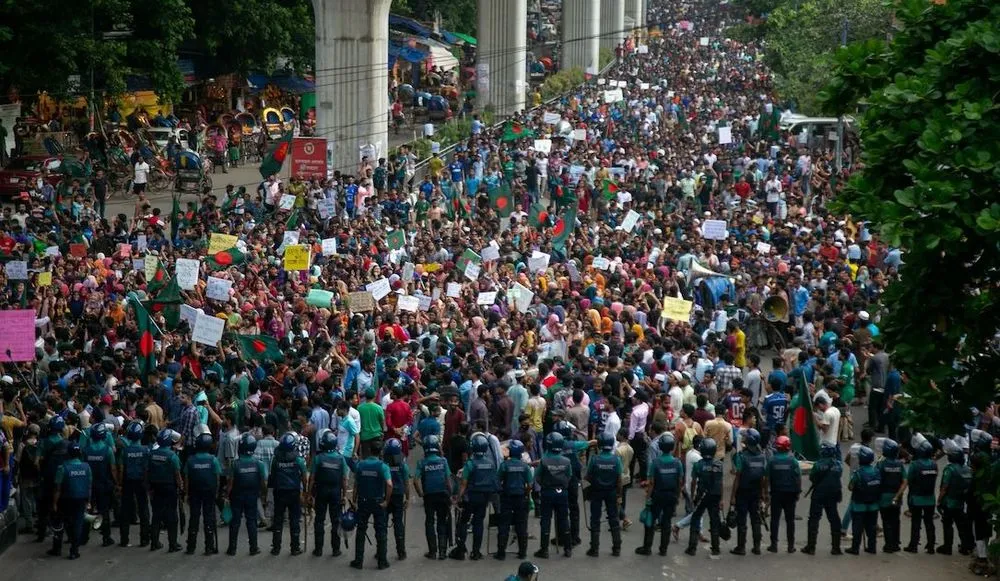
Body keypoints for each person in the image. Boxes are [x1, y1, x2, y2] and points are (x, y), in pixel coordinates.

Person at [452, 432, 498, 560]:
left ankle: (461, 550)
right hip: (484, 498)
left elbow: (463, 484)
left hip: (470, 498)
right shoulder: (491, 463)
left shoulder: (470, 464)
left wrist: (458, 499)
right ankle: (476, 552)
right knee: (479, 523)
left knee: (463, 522)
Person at [636, 433, 682, 556]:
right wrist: (677, 497)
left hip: (657, 495)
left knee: (650, 521)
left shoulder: (655, 463)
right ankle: (663, 549)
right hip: (671, 495)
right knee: (666, 522)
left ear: (660, 447)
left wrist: (648, 498)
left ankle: (647, 547)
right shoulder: (677, 463)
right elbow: (679, 482)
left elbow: (651, 483)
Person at [351, 439, 392, 569]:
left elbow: (356, 484)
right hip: (378, 502)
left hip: (363, 501)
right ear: (380, 452)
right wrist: (386, 501)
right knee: (380, 531)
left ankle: (358, 561)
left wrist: (354, 500)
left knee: (361, 531)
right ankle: (382, 561)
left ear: (369, 451)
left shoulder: (360, 465)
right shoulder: (383, 466)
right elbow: (390, 484)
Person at [226, 433, 267, 556]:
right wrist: (263, 495)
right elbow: (263, 482)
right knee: (252, 521)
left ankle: (232, 549)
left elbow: (230, 483)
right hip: (252, 496)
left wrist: (227, 495)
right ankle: (253, 548)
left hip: (237, 496)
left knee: (235, 522)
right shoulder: (258, 463)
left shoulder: (234, 464)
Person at [49, 441, 91, 559]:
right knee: (78, 524)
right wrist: (88, 501)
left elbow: (57, 488)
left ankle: (57, 548)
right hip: (81, 499)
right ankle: (74, 550)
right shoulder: (86, 467)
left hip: (65, 500)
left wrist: (54, 503)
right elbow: (89, 486)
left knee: (62, 523)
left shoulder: (62, 468)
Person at [310, 429, 349, 557]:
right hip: (335, 492)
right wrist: (344, 495)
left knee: (319, 520)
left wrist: (309, 493)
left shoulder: (318, 458)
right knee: (336, 521)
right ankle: (336, 549)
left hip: (321, 492)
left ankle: (318, 549)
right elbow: (344, 479)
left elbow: (312, 478)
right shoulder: (340, 458)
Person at [584, 432, 623, 557]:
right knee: (614, 518)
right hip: (611, 492)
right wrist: (619, 495)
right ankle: (616, 547)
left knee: (595, 519)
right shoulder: (616, 460)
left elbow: (588, 477)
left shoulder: (594, 459)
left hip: (596, 492)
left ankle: (594, 548)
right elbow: (620, 480)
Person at [534, 432, 572, 559]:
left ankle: (544, 549)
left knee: (545, 519)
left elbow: (537, 477)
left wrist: (546, 484)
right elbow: (569, 476)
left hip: (547, 492)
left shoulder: (544, 460)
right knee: (564, 519)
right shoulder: (566, 461)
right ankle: (568, 548)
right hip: (562, 492)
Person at [415, 434, 452, 560]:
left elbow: (415, 480)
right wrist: (451, 495)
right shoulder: (443, 461)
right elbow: (448, 480)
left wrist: (420, 493)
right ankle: (442, 552)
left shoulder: (422, 463)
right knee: (442, 522)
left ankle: (432, 551)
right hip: (443, 495)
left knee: (430, 522)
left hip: (429, 496)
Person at [729, 428, 766, 555]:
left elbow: (737, 477)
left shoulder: (741, 457)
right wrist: (763, 495)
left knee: (742, 520)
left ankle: (741, 547)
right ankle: (757, 547)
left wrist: (732, 497)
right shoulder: (762, 457)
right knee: (756, 519)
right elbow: (763, 478)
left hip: (743, 492)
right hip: (756, 492)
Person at [269, 432, 307, 555]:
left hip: (279, 492)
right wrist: (305, 490)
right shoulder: (298, 460)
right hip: (294, 492)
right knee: (294, 520)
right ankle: (295, 547)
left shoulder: (275, 459)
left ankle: (276, 548)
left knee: (278, 520)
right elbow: (304, 476)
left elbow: (272, 476)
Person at [685, 438, 724, 557]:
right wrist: (721, 499)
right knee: (714, 521)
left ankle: (692, 548)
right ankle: (716, 548)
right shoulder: (719, 465)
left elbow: (693, 482)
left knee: (695, 519)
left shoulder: (698, 465)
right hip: (715, 496)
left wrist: (692, 496)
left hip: (701, 496)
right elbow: (720, 483)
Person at [184, 432, 221, 554]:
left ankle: (191, 546)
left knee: (194, 517)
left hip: (194, 492)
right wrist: (216, 492)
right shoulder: (213, 460)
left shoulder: (191, 460)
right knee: (208, 518)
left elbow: (187, 479)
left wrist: (186, 494)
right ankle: (209, 546)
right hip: (209, 492)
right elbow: (217, 478)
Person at [803, 442, 843, 555]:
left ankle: (811, 547)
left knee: (814, 519)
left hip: (819, 494)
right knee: (834, 518)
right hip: (833, 494)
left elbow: (812, 477)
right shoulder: (838, 465)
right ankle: (836, 547)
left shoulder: (818, 465)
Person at [898, 439, 937, 554]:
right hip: (930, 498)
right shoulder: (934, 464)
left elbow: (909, 480)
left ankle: (913, 545)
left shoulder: (915, 465)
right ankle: (931, 546)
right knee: (929, 523)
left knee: (916, 522)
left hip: (916, 498)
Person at [147, 429, 183, 552]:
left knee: (156, 516)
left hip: (155, 488)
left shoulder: (151, 453)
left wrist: (149, 488)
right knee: (172, 516)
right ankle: (173, 544)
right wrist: (181, 487)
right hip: (170, 488)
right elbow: (177, 474)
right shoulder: (172, 456)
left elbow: (148, 471)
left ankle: (154, 542)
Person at [496, 439, 532, 560]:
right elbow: (530, 484)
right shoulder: (525, 466)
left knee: (504, 525)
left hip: (507, 497)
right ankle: (522, 552)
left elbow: (498, 481)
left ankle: (501, 552)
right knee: (521, 525)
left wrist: (502, 491)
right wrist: (525, 493)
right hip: (521, 498)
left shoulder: (505, 465)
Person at [82, 422, 117, 547]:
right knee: (104, 510)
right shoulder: (107, 450)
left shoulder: (86, 450)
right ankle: (106, 537)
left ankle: (83, 537)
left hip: (89, 485)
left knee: (87, 510)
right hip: (104, 484)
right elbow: (113, 469)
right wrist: (116, 483)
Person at [117, 421, 151, 548]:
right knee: (143, 510)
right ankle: (144, 539)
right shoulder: (146, 450)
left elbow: (120, 468)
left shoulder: (125, 451)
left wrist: (120, 484)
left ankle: (124, 539)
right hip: (141, 481)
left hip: (127, 481)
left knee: (125, 510)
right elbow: (148, 469)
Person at [766, 435, 800, 553]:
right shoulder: (793, 461)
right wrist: (798, 492)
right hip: (790, 494)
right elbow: (797, 477)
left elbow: (767, 478)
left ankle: (774, 544)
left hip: (776, 493)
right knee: (790, 520)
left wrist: (766, 494)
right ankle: (791, 546)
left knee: (774, 519)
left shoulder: (772, 461)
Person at [937, 444, 973, 555]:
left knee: (947, 524)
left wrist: (939, 500)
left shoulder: (950, 469)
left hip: (949, 501)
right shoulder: (967, 469)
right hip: (961, 502)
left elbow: (944, 487)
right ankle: (965, 546)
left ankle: (947, 547)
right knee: (961, 525)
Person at [37, 415, 68, 543]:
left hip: (47, 479)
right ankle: (62, 535)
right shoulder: (66, 443)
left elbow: (36, 461)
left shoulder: (44, 442)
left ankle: (41, 534)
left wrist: (42, 472)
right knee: (60, 509)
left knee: (43, 508)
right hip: (61, 481)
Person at [845, 445, 879, 555]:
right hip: (873, 505)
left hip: (859, 505)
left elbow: (850, 487)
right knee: (872, 527)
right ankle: (872, 547)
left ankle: (855, 548)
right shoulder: (876, 471)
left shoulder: (858, 473)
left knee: (857, 527)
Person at [384, 437, 410, 560]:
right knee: (398, 524)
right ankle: (401, 552)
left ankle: (381, 551)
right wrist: (408, 498)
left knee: (382, 524)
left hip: (385, 496)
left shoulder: (383, 464)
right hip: (398, 496)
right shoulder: (402, 464)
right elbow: (406, 483)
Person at [876, 438, 904, 553]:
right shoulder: (900, 465)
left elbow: (876, 478)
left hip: (884, 497)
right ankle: (896, 543)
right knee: (896, 520)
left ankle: (889, 545)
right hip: (897, 496)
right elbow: (905, 480)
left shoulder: (881, 464)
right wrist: (899, 494)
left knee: (886, 521)